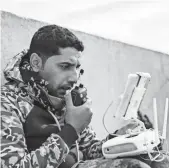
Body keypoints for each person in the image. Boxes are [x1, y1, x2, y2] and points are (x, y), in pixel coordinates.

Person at [1, 25, 168, 168]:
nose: (74, 77)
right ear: (36, 63)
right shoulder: (8, 102)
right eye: (65, 66)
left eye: (76, 68)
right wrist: (71, 130)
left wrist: (121, 139)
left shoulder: (66, 95)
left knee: (158, 159)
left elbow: (89, 149)